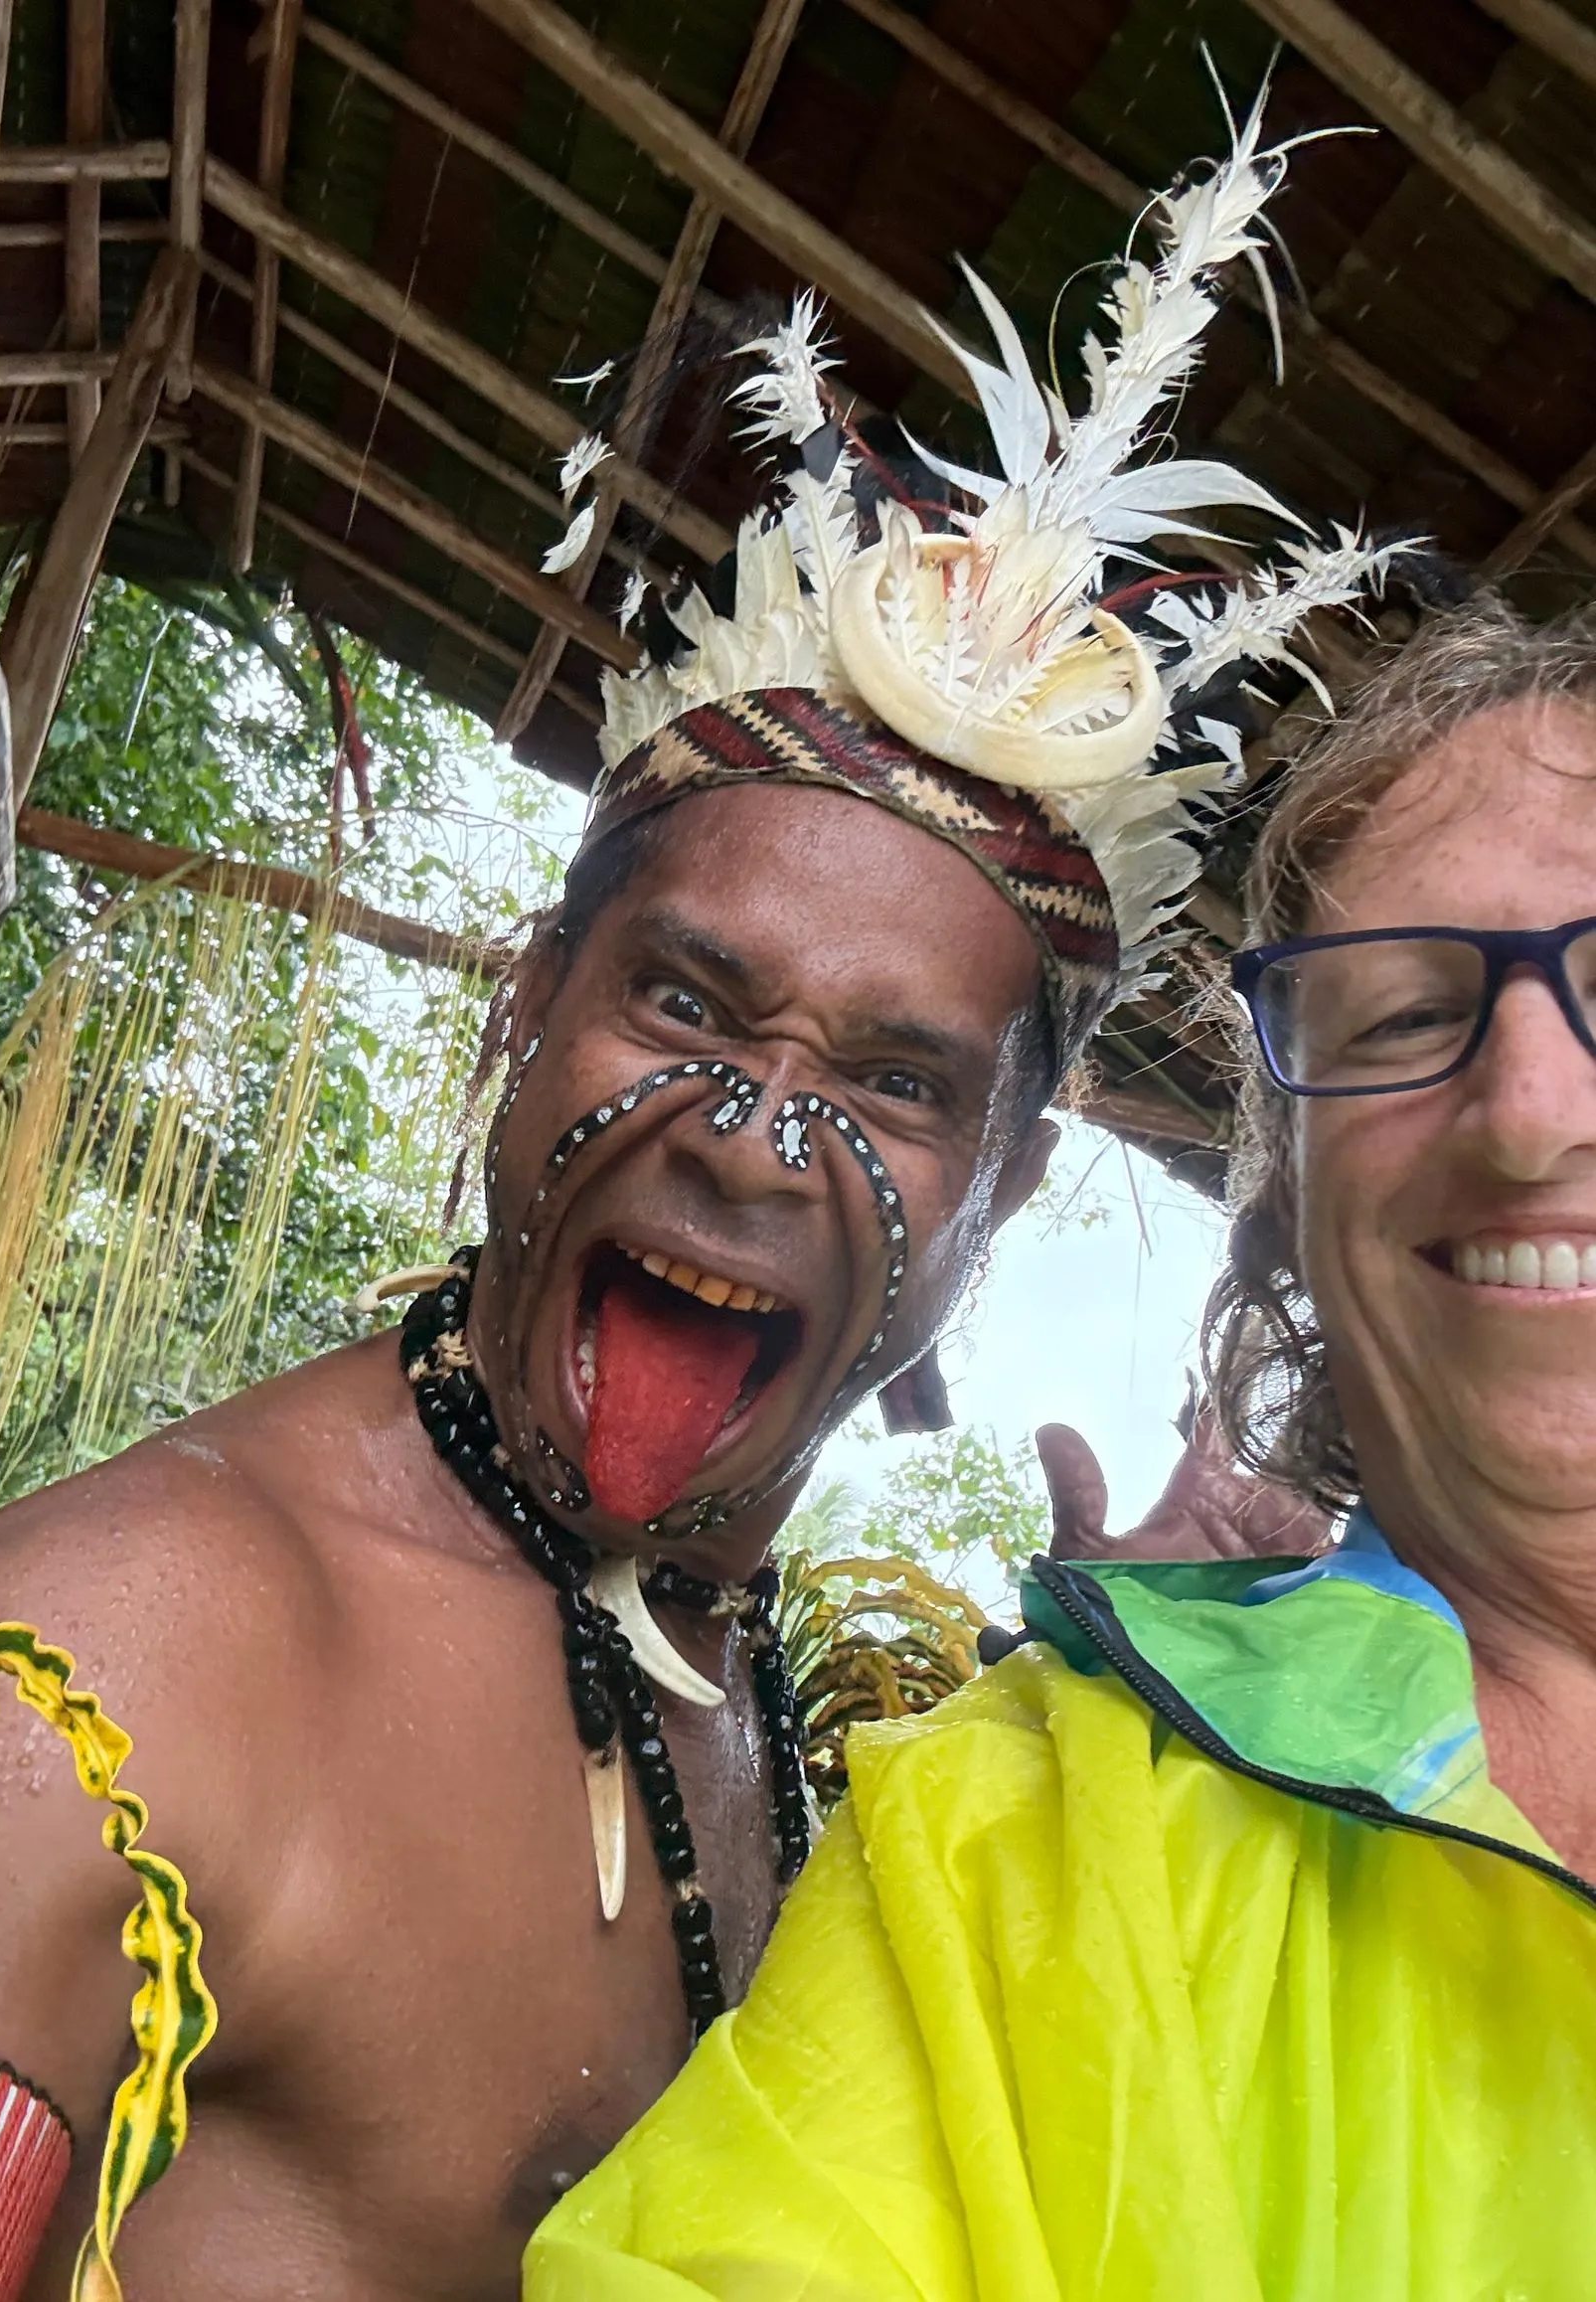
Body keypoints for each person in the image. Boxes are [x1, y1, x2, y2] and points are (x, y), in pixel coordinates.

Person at [0, 103, 1384, 2302]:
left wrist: (1106, 1768)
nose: (761, 1136)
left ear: (1007, 1190)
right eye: (689, 1002)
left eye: (892, 1079)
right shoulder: (107, 1682)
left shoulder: (820, 1713)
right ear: (525, 1010)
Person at [523, 596, 1596, 2302]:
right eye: (1397, 1018)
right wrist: (1171, 1731)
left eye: (898, 1082)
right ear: (1289, 1211)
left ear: (1003, 1196)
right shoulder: (1017, 1843)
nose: (1533, 1109)